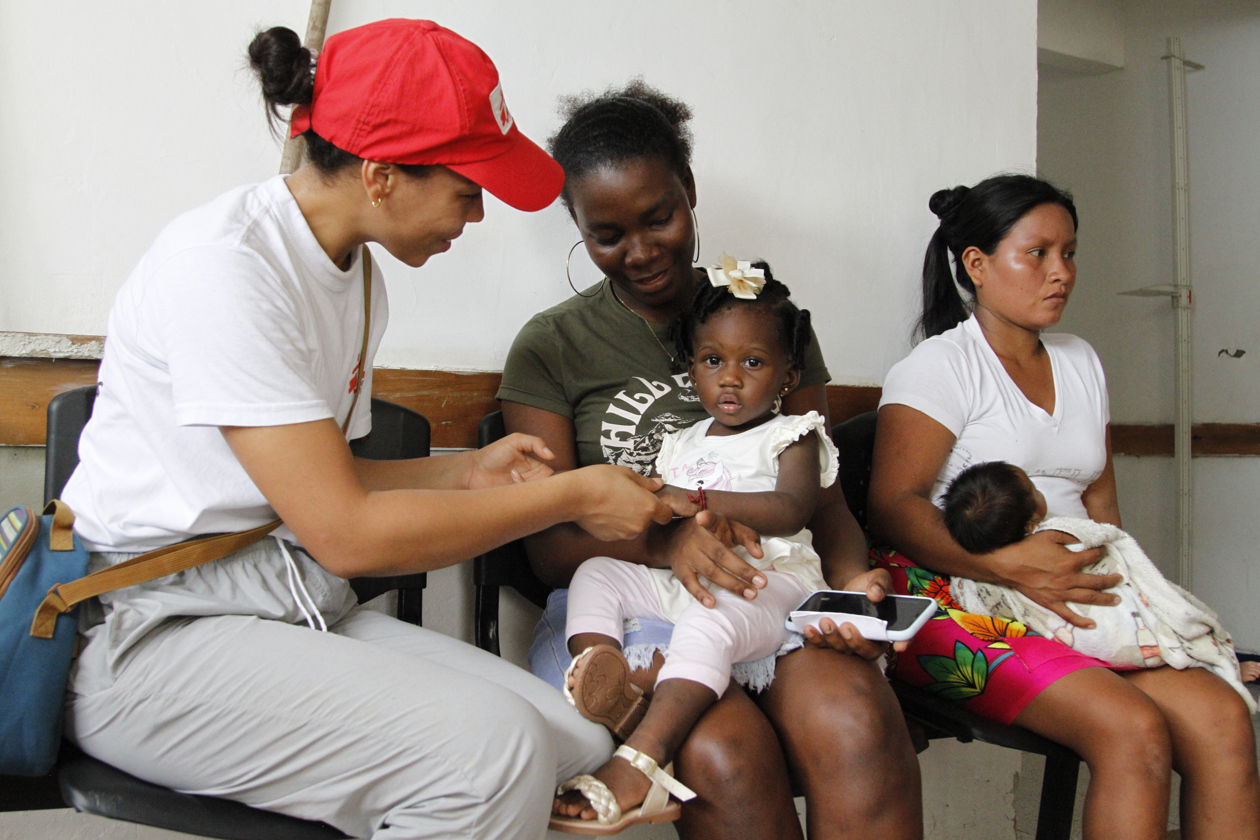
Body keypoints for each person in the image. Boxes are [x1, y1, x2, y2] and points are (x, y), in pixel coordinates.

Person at [60, 21, 681, 840]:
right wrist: (573, 494)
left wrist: (468, 473)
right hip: (147, 629)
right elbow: (346, 533)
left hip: (278, 598)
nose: (481, 214)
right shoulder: (225, 269)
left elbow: (325, 485)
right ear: (383, 176)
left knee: (572, 740)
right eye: (469, 188)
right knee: (490, 758)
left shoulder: (357, 283)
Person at [499, 81, 922, 840]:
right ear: (577, 226)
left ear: (690, 193)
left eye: (659, 217)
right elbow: (551, 546)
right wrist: (667, 541)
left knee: (855, 719)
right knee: (724, 753)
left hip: (775, 587)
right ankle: (624, 709)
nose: (640, 250)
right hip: (635, 603)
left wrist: (854, 587)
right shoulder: (552, 347)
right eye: (606, 234)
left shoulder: (771, 321)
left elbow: (820, 497)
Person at [867, 174, 1260, 840]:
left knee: (1224, 719)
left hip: (1074, 597)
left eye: (1070, 253)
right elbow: (891, 507)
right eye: (1039, 253)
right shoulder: (940, 368)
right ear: (977, 265)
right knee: (1132, 732)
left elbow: (1102, 501)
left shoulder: (1081, 361)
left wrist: (1135, 607)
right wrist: (1012, 567)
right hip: (959, 599)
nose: (1062, 273)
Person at [552, 266, 838, 832]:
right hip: (689, 580)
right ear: (692, 367)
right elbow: (661, 514)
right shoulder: (681, 440)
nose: (729, 379)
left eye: (752, 363)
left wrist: (698, 500)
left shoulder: (794, 434)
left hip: (767, 582)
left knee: (706, 629)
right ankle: (606, 679)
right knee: (597, 572)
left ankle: (640, 759)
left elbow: (790, 510)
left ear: (788, 374)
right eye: (713, 361)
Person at [941, 461, 1257, 696]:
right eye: (1034, 488)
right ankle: (1221, 663)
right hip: (1109, 619)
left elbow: (973, 602)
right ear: (1034, 515)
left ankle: (1209, 664)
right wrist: (1109, 542)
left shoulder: (972, 575)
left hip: (1075, 649)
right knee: (1171, 612)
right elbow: (1109, 540)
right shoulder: (1057, 535)